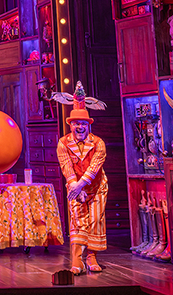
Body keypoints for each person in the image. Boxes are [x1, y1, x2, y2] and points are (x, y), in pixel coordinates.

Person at [56, 96, 108, 275]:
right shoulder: (63, 143)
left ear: (89, 126)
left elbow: (94, 167)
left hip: (96, 186)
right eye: (76, 124)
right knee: (78, 220)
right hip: (74, 186)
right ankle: (77, 260)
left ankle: (91, 257)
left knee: (94, 220)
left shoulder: (98, 143)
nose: (80, 127)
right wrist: (75, 187)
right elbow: (66, 167)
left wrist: (81, 186)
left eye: (83, 124)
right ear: (70, 125)